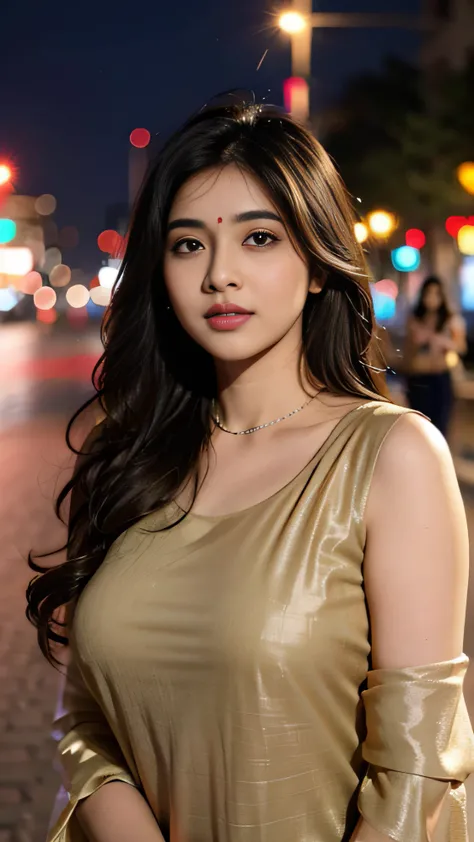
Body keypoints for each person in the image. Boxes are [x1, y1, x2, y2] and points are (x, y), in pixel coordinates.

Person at [26, 99, 473, 842]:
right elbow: (84, 721)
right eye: (188, 245)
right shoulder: (126, 452)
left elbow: (418, 772)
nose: (220, 275)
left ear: (319, 265)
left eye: (259, 238)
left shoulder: (392, 458)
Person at [404, 275, 467, 437]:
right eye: (428, 293)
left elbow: (461, 347)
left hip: (440, 378)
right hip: (418, 377)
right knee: (418, 427)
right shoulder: (415, 319)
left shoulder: (450, 320)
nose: (431, 298)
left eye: (436, 294)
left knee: (440, 426)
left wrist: (443, 342)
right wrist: (417, 340)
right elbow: (407, 353)